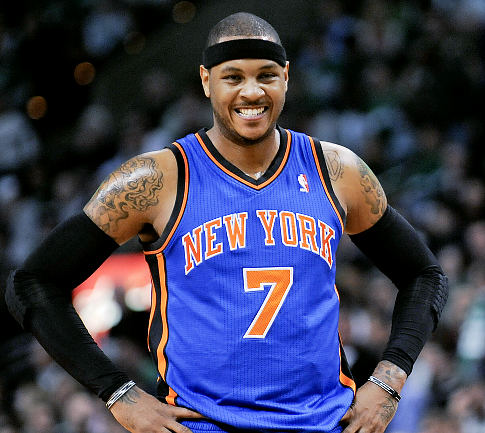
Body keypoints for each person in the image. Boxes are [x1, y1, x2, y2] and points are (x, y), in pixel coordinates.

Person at [5, 12, 448, 433]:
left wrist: (389, 379)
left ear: (286, 77)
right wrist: (118, 391)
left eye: (266, 76)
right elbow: (32, 283)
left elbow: (425, 275)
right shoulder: (156, 179)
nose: (251, 93)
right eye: (233, 77)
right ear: (206, 80)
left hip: (323, 421)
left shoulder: (336, 170)